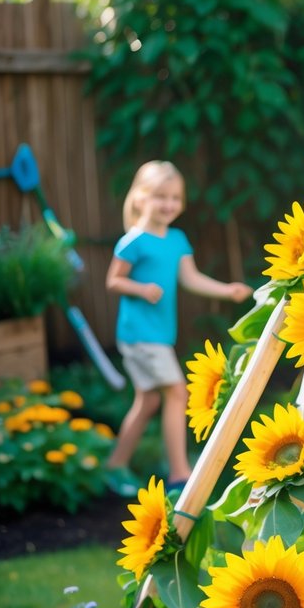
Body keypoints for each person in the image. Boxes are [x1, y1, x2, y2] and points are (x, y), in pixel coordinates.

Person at [104, 160, 252, 498]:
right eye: (160, 196)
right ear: (140, 199)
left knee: (148, 402)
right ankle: (179, 472)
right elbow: (113, 281)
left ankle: (114, 465)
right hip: (138, 334)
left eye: (175, 197)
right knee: (176, 392)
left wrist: (226, 290)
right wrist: (141, 289)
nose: (169, 204)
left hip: (158, 334)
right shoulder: (134, 241)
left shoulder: (177, 239)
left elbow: (190, 278)